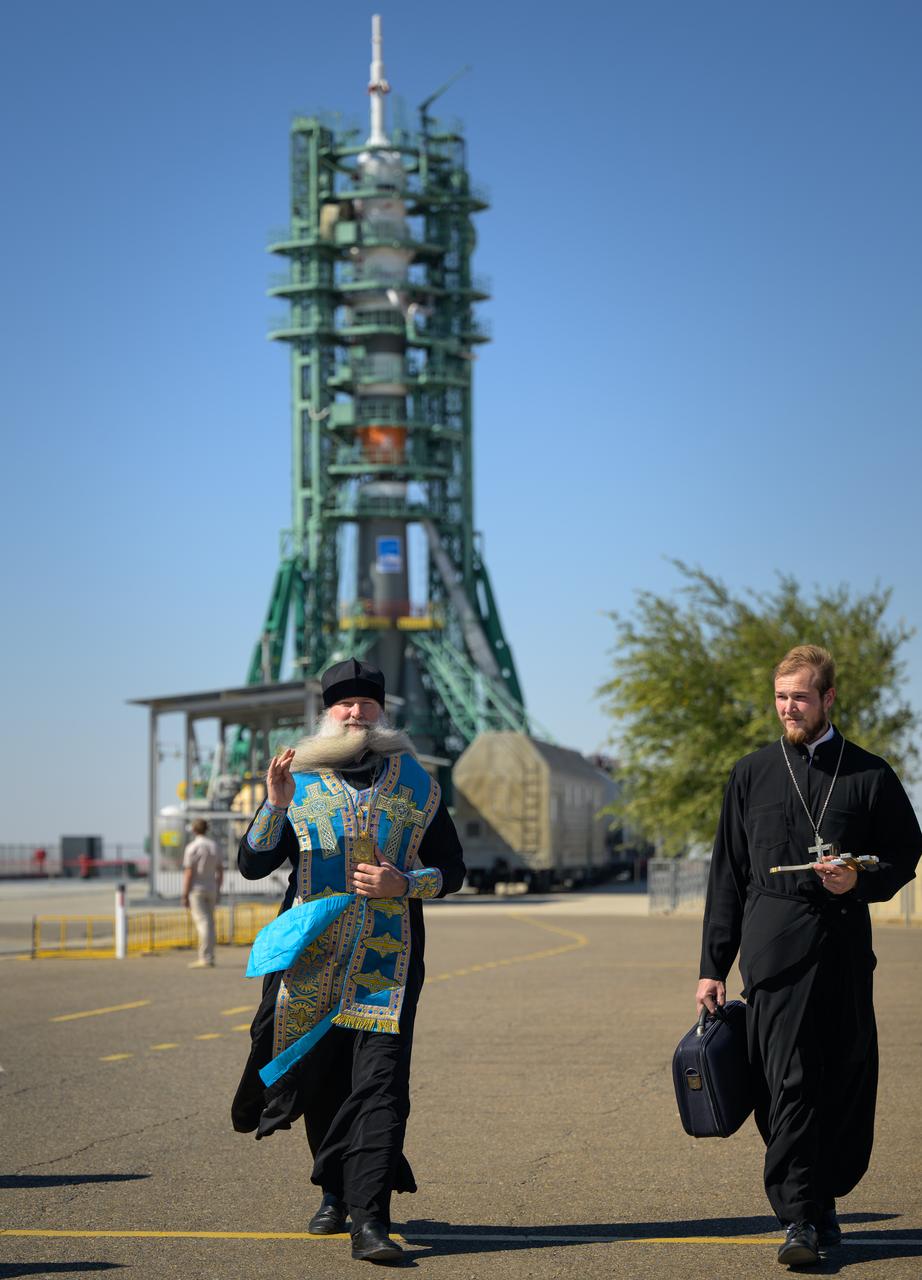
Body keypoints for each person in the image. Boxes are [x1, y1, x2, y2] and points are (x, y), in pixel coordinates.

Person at [232, 658, 465, 1265]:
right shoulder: (298, 780)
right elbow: (253, 866)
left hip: (388, 965)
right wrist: (274, 806)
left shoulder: (420, 784)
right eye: (343, 703)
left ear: (382, 713)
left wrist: (405, 883)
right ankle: (334, 1191)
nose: (354, 712)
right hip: (310, 960)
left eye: (366, 703)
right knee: (322, 1079)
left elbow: (455, 873)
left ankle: (370, 1217)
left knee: (381, 1084)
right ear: (327, 713)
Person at [696, 644, 921, 1267]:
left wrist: (863, 882)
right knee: (785, 1084)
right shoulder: (751, 773)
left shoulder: (870, 775)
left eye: (799, 696)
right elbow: (727, 877)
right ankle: (799, 1218)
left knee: (843, 1083)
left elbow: (906, 853)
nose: (788, 708)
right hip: (772, 956)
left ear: (827, 699)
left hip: (844, 955)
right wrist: (713, 965)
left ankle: (821, 1199)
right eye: (780, 697)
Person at [180, 818, 224, 969]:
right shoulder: (214, 846)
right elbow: (220, 871)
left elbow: (189, 873)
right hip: (211, 887)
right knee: (210, 923)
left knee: (203, 923)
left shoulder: (192, 847)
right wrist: (218, 888)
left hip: (196, 889)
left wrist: (185, 894)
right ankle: (209, 955)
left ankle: (205, 957)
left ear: (194, 830)